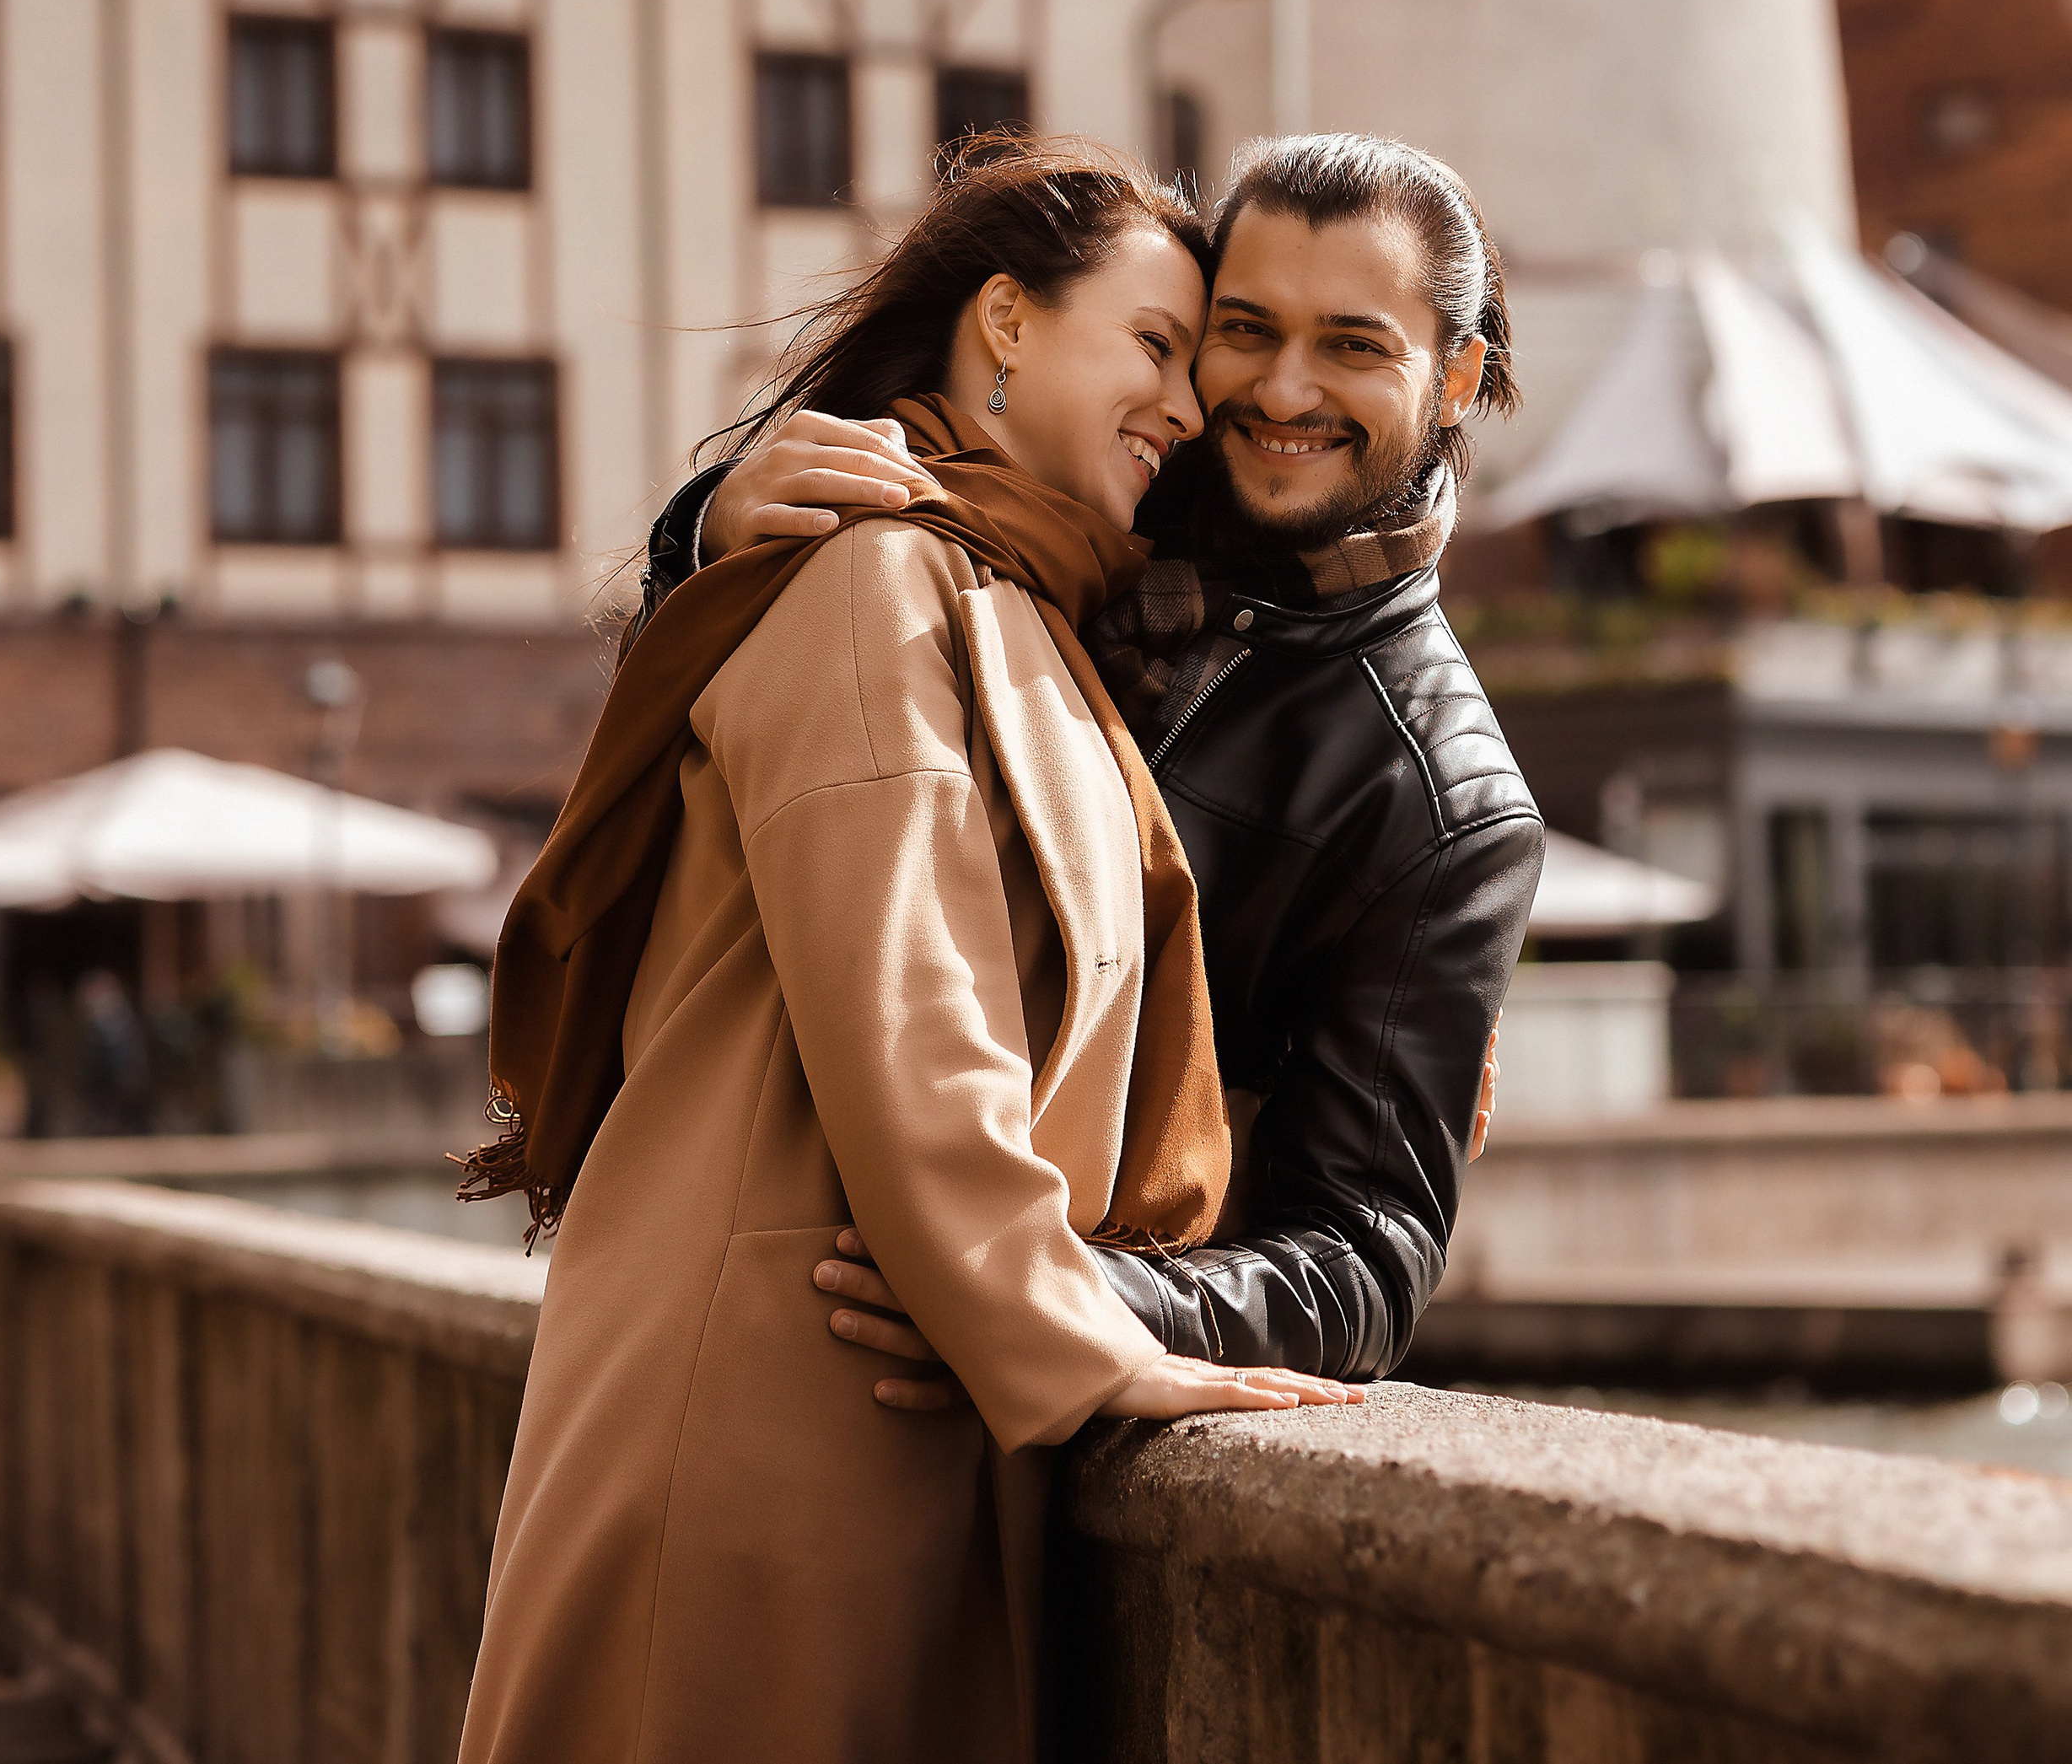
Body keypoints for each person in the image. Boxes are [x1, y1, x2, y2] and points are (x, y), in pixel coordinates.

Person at [456, 140, 1343, 1764]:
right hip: (770, 1424)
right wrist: (1080, 1325)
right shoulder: (882, 570)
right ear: (1004, 319)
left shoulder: (1010, 599)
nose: (1185, 407)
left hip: (863, 1411)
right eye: (1154, 344)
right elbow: (909, 993)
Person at [645, 132, 1546, 1400]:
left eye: (1352, 344)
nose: (1281, 390)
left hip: (998, 1379)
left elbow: (1369, 1261)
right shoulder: (1082, 489)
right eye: (1242, 328)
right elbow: (739, 767)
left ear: (1455, 378)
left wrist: (1043, 1293)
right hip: (747, 1296)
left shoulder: (1444, 795)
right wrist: (710, 536)